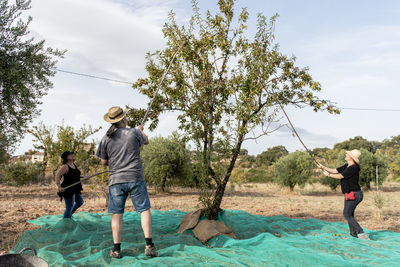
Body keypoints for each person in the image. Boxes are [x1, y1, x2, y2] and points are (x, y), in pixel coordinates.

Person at [96, 106, 158, 259]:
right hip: (136, 178)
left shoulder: (105, 138)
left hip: (116, 180)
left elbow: (103, 162)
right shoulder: (134, 132)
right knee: (144, 210)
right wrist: (140, 130)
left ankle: (116, 250)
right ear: (123, 119)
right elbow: (147, 140)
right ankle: (149, 245)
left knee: (117, 215)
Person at [318, 149, 369, 240]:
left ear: (351, 158)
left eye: (347, 154)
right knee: (349, 214)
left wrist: (328, 175)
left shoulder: (354, 167)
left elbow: (340, 176)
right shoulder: (347, 165)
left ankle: (361, 233)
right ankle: (354, 233)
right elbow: (335, 170)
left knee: (347, 214)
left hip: (355, 194)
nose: (346, 154)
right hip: (350, 194)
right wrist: (323, 167)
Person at [55, 151, 86, 219]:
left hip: (75, 188)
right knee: (69, 207)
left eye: (72, 154)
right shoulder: (65, 166)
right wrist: (59, 186)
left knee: (80, 201)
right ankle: (66, 221)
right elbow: (57, 175)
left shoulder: (73, 164)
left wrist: (84, 177)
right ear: (66, 157)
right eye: (70, 154)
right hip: (68, 189)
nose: (72, 155)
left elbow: (75, 175)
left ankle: (69, 214)